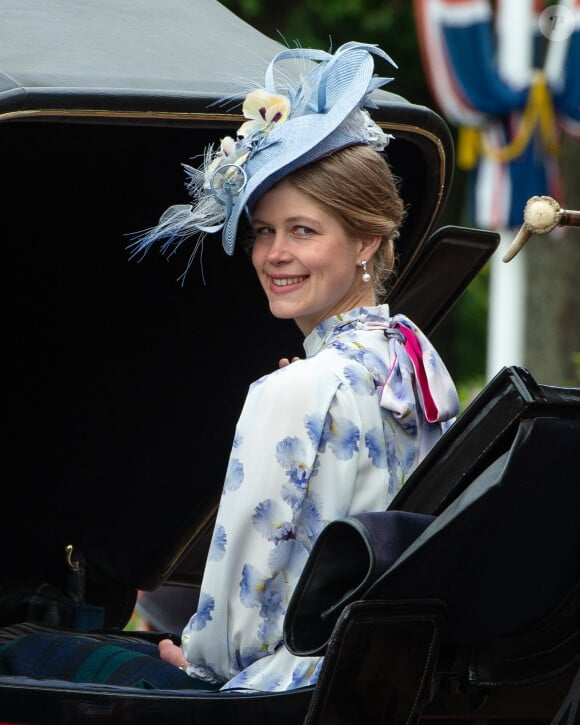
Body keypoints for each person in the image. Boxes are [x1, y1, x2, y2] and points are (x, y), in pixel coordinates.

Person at [0, 41, 458, 692]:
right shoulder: (415, 358)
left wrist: (198, 657)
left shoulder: (293, 388)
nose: (274, 253)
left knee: (25, 652)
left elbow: (230, 632)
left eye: (303, 230)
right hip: (380, 682)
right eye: (264, 231)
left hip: (271, 693)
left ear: (367, 239)